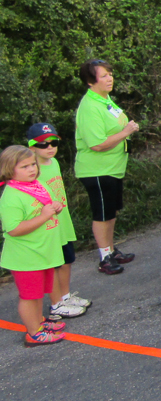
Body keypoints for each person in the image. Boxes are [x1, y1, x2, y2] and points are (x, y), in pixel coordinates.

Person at [74, 59, 139, 276]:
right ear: (90, 81)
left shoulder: (104, 99)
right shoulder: (90, 106)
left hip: (113, 168)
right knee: (102, 214)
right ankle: (104, 258)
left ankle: (111, 250)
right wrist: (126, 132)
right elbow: (97, 144)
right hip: (97, 170)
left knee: (111, 212)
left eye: (110, 74)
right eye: (103, 76)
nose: (110, 78)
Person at [0, 146, 67, 347]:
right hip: (26, 257)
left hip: (42, 253)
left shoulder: (36, 185)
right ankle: (33, 333)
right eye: (24, 167)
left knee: (38, 294)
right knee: (29, 297)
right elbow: (14, 229)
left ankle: (39, 322)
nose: (31, 169)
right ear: (9, 169)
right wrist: (45, 215)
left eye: (33, 165)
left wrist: (55, 207)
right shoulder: (11, 196)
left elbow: (44, 207)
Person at [29, 124, 90, 320]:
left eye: (53, 143)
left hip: (62, 220)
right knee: (53, 264)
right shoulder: (32, 169)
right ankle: (56, 305)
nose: (50, 147)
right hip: (47, 223)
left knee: (66, 260)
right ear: (31, 147)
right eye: (43, 144)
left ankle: (65, 296)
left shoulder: (53, 162)